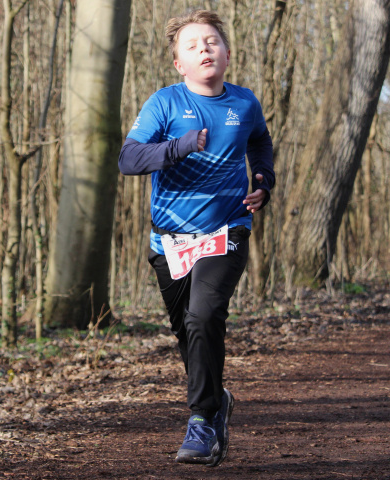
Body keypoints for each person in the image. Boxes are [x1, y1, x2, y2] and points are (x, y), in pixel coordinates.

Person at [118, 9, 275, 467]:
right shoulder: (164, 104)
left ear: (226, 54)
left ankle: (202, 420)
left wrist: (263, 180)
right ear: (179, 64)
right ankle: (216, 399)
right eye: (192, 45)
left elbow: (260, 142)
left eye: (211, 42)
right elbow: (129, 160)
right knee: (189, 331)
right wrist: (181, 146)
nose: (204, 49)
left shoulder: (245, 103)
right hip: (169, 240)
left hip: (227, 229)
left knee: (204, 315)